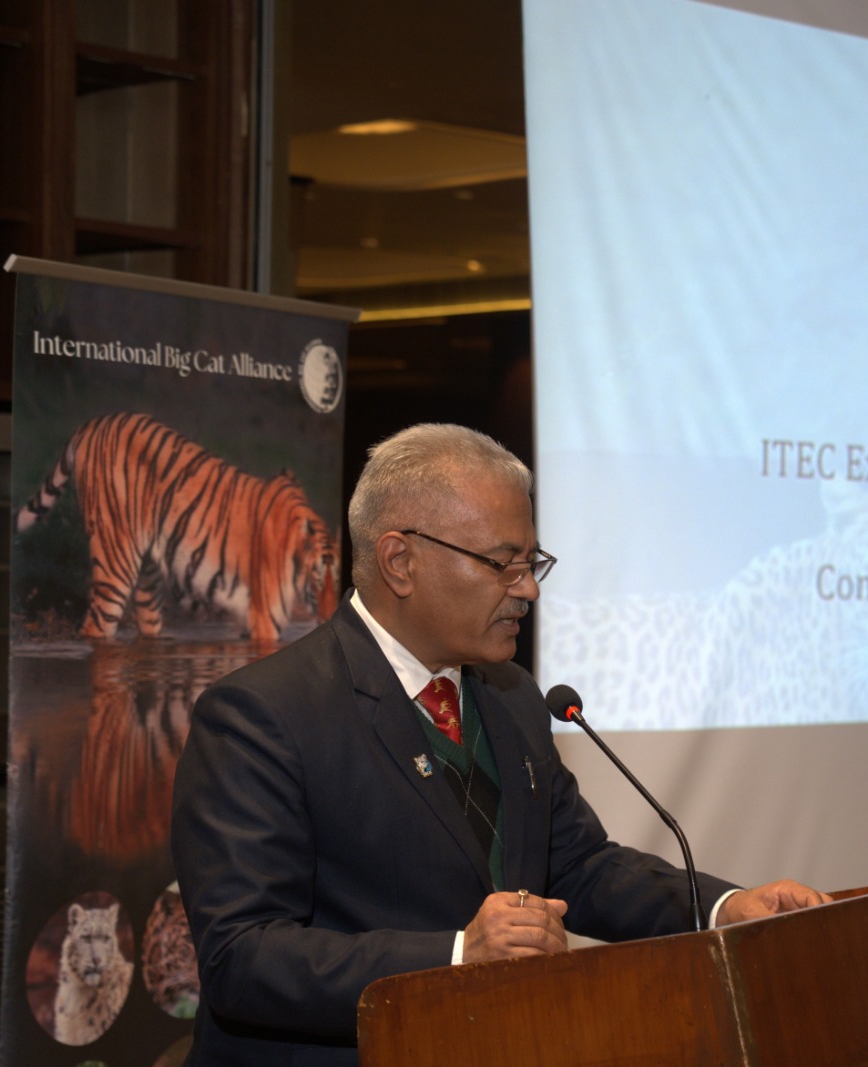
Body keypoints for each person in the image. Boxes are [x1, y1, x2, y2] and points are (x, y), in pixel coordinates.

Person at [171, 423, 830, 1065]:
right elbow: (242, 956)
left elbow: (578, 866)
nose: (529, 588)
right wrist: (456, 956)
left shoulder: (511, 695)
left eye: (532, 561)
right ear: (400, 561)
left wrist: (722, 908)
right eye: (501, 563)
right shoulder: (264, 714)